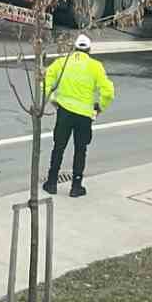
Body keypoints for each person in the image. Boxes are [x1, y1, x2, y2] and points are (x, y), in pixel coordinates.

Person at [42, 32, 114, 199]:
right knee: (80, 149)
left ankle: (52, 182)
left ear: (73, 48)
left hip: (64, 112)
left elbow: (45, 79)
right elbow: (109, 92)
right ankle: (76, 185)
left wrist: (51, 99)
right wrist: (100, 107)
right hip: (84, 116)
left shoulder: (62, 62)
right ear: (89, 50)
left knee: (58, 146)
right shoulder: (96, 67)